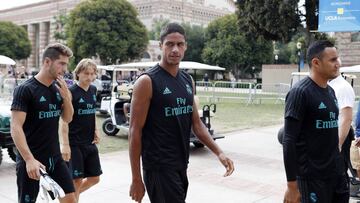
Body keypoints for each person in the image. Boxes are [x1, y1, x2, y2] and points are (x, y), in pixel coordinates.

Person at [129, 22, 234, 203]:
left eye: (180, 44)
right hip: (159, 166)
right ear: (161, 45)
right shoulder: (147, 82)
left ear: (185, 47)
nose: (175, 49)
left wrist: (219, 152)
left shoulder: (188, 80)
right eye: (170, 44)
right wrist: (136, 178)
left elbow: (196, 123)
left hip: (181, 163)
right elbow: (134, 131)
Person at [283, 40, 349, 203]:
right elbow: (289, 140)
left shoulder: (331, 91)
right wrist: (292, 186)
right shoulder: (300, 93)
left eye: (338, 59)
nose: (338, 64)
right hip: (312, 179)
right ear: (316, 63)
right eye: (333, 60)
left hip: (337, 175)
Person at [10, 43, 76, 203]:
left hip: (55, 158)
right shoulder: (26, 89)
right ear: (47, 62)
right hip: (32, 159)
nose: (65, 69)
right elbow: (15, 126)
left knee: (70, 199)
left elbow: (67, 118)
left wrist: (67, 97)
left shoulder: (58, 89)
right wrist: (29, 159)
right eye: (61, 63)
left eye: (66, 64)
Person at [60, 58, 102, 202]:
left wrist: (96, 129)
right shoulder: (71, 92)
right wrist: (65, 145)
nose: (90, 77)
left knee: (95, 178)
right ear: (78, 74)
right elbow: (64, 121)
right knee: (76, 181)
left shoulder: (93, 90)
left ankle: (67, 198)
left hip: (89, 142)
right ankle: (71, 198)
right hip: (74, 143)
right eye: (86, 73)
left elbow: (92, 112)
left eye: (92, 74)